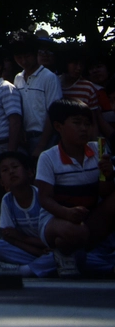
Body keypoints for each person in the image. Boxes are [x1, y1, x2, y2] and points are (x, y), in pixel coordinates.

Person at [34, 99, 115, 277]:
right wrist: (66, 213)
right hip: (57, 219)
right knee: (75, 232)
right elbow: (45, 199)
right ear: (58, 126)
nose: (83, 128)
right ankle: (64, 253)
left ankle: (80, 255)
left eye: (87, 123)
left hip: (90, 217)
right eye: (77, 123)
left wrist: (108, 175)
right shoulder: (48, 157)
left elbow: (105, 192)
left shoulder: (98, 150)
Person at [0, 150, 54, 276]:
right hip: (31, 250)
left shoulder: (42, 197)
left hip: (49, 247)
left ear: (30, 172)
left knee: (60, 253)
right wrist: (36, 251)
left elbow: (51, 241)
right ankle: (37, 267)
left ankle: (23, 270)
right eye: (5, 170)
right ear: (2, 182)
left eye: (15, 167)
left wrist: (21, 237)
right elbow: (8, 236)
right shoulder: (7, 200)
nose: (11, 172)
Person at [13, 35, 63, 158]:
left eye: (27, 56)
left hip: (46, 137)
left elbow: (53, 113)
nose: (24, 61)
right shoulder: (17, 78)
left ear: (35, 54)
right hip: (25, 139)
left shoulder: (49, 77)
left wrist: (41, 145)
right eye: (19, 57)